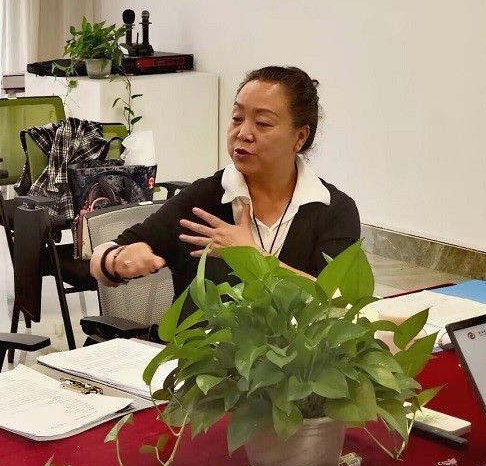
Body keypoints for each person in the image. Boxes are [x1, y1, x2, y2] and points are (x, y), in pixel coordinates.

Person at [90, 65, 360, 304]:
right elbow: (102, 257)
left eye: (262, 123)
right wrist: (115, 262)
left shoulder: (333, 210)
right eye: (237, 118)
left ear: (299, 137)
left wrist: (254, 257)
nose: (243, 133)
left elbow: (339, 304)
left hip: (297, 348)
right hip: (202, 346)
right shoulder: (203, 198)